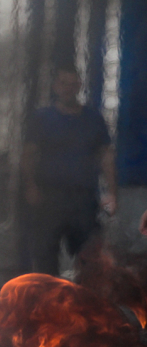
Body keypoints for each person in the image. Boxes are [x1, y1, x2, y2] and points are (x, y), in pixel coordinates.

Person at [21, 64, 117, 276]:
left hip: (83, 199)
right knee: (45, 255)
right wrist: (30, 186)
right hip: (50, 198)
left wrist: (111, 192)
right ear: (56, 87)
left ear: (79, 87)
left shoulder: (93, 119)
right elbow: (28, 154)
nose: (68, 89)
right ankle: (47, 302)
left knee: (90, 256)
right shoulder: (43, 118)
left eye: (73, 84)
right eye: (64, 84)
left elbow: (105, 156)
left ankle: (83, 303)